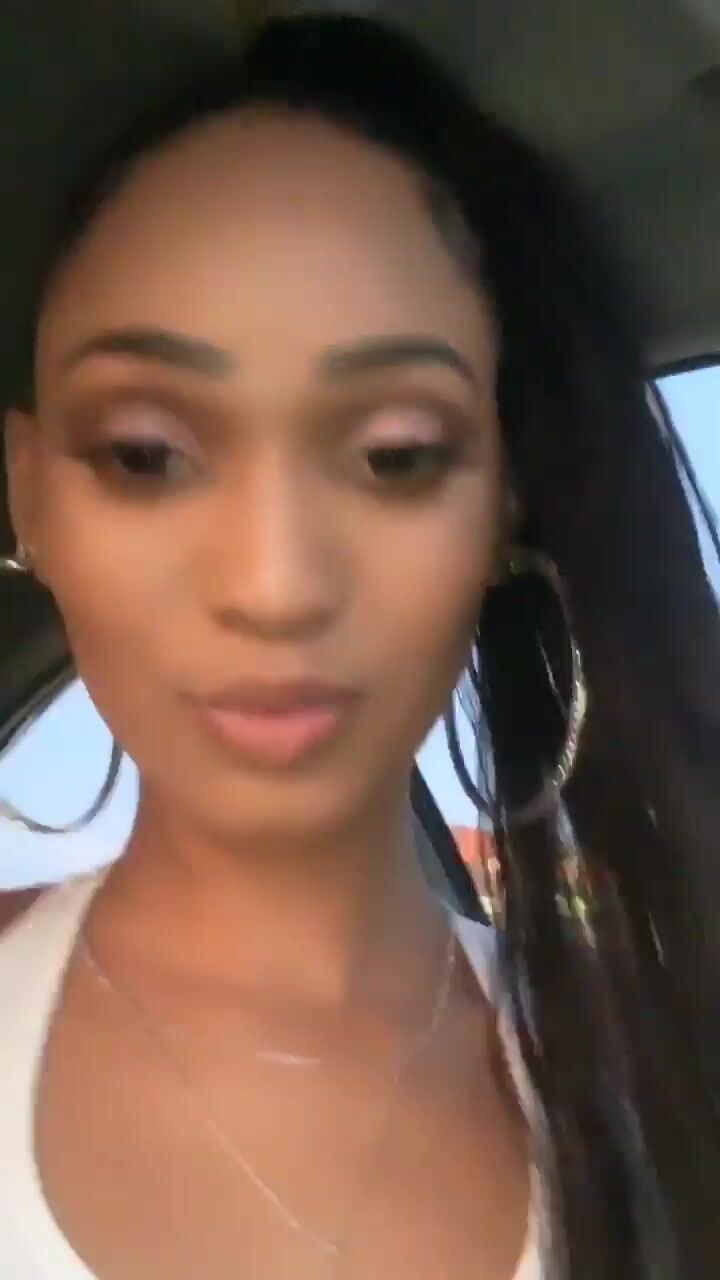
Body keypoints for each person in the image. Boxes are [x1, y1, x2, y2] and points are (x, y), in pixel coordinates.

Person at [0, 12, 718, 1279]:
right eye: (146, 453)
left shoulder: (655, 1085)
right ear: (28, 496)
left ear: (504, 501)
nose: (275, 585)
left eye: (396, 455)